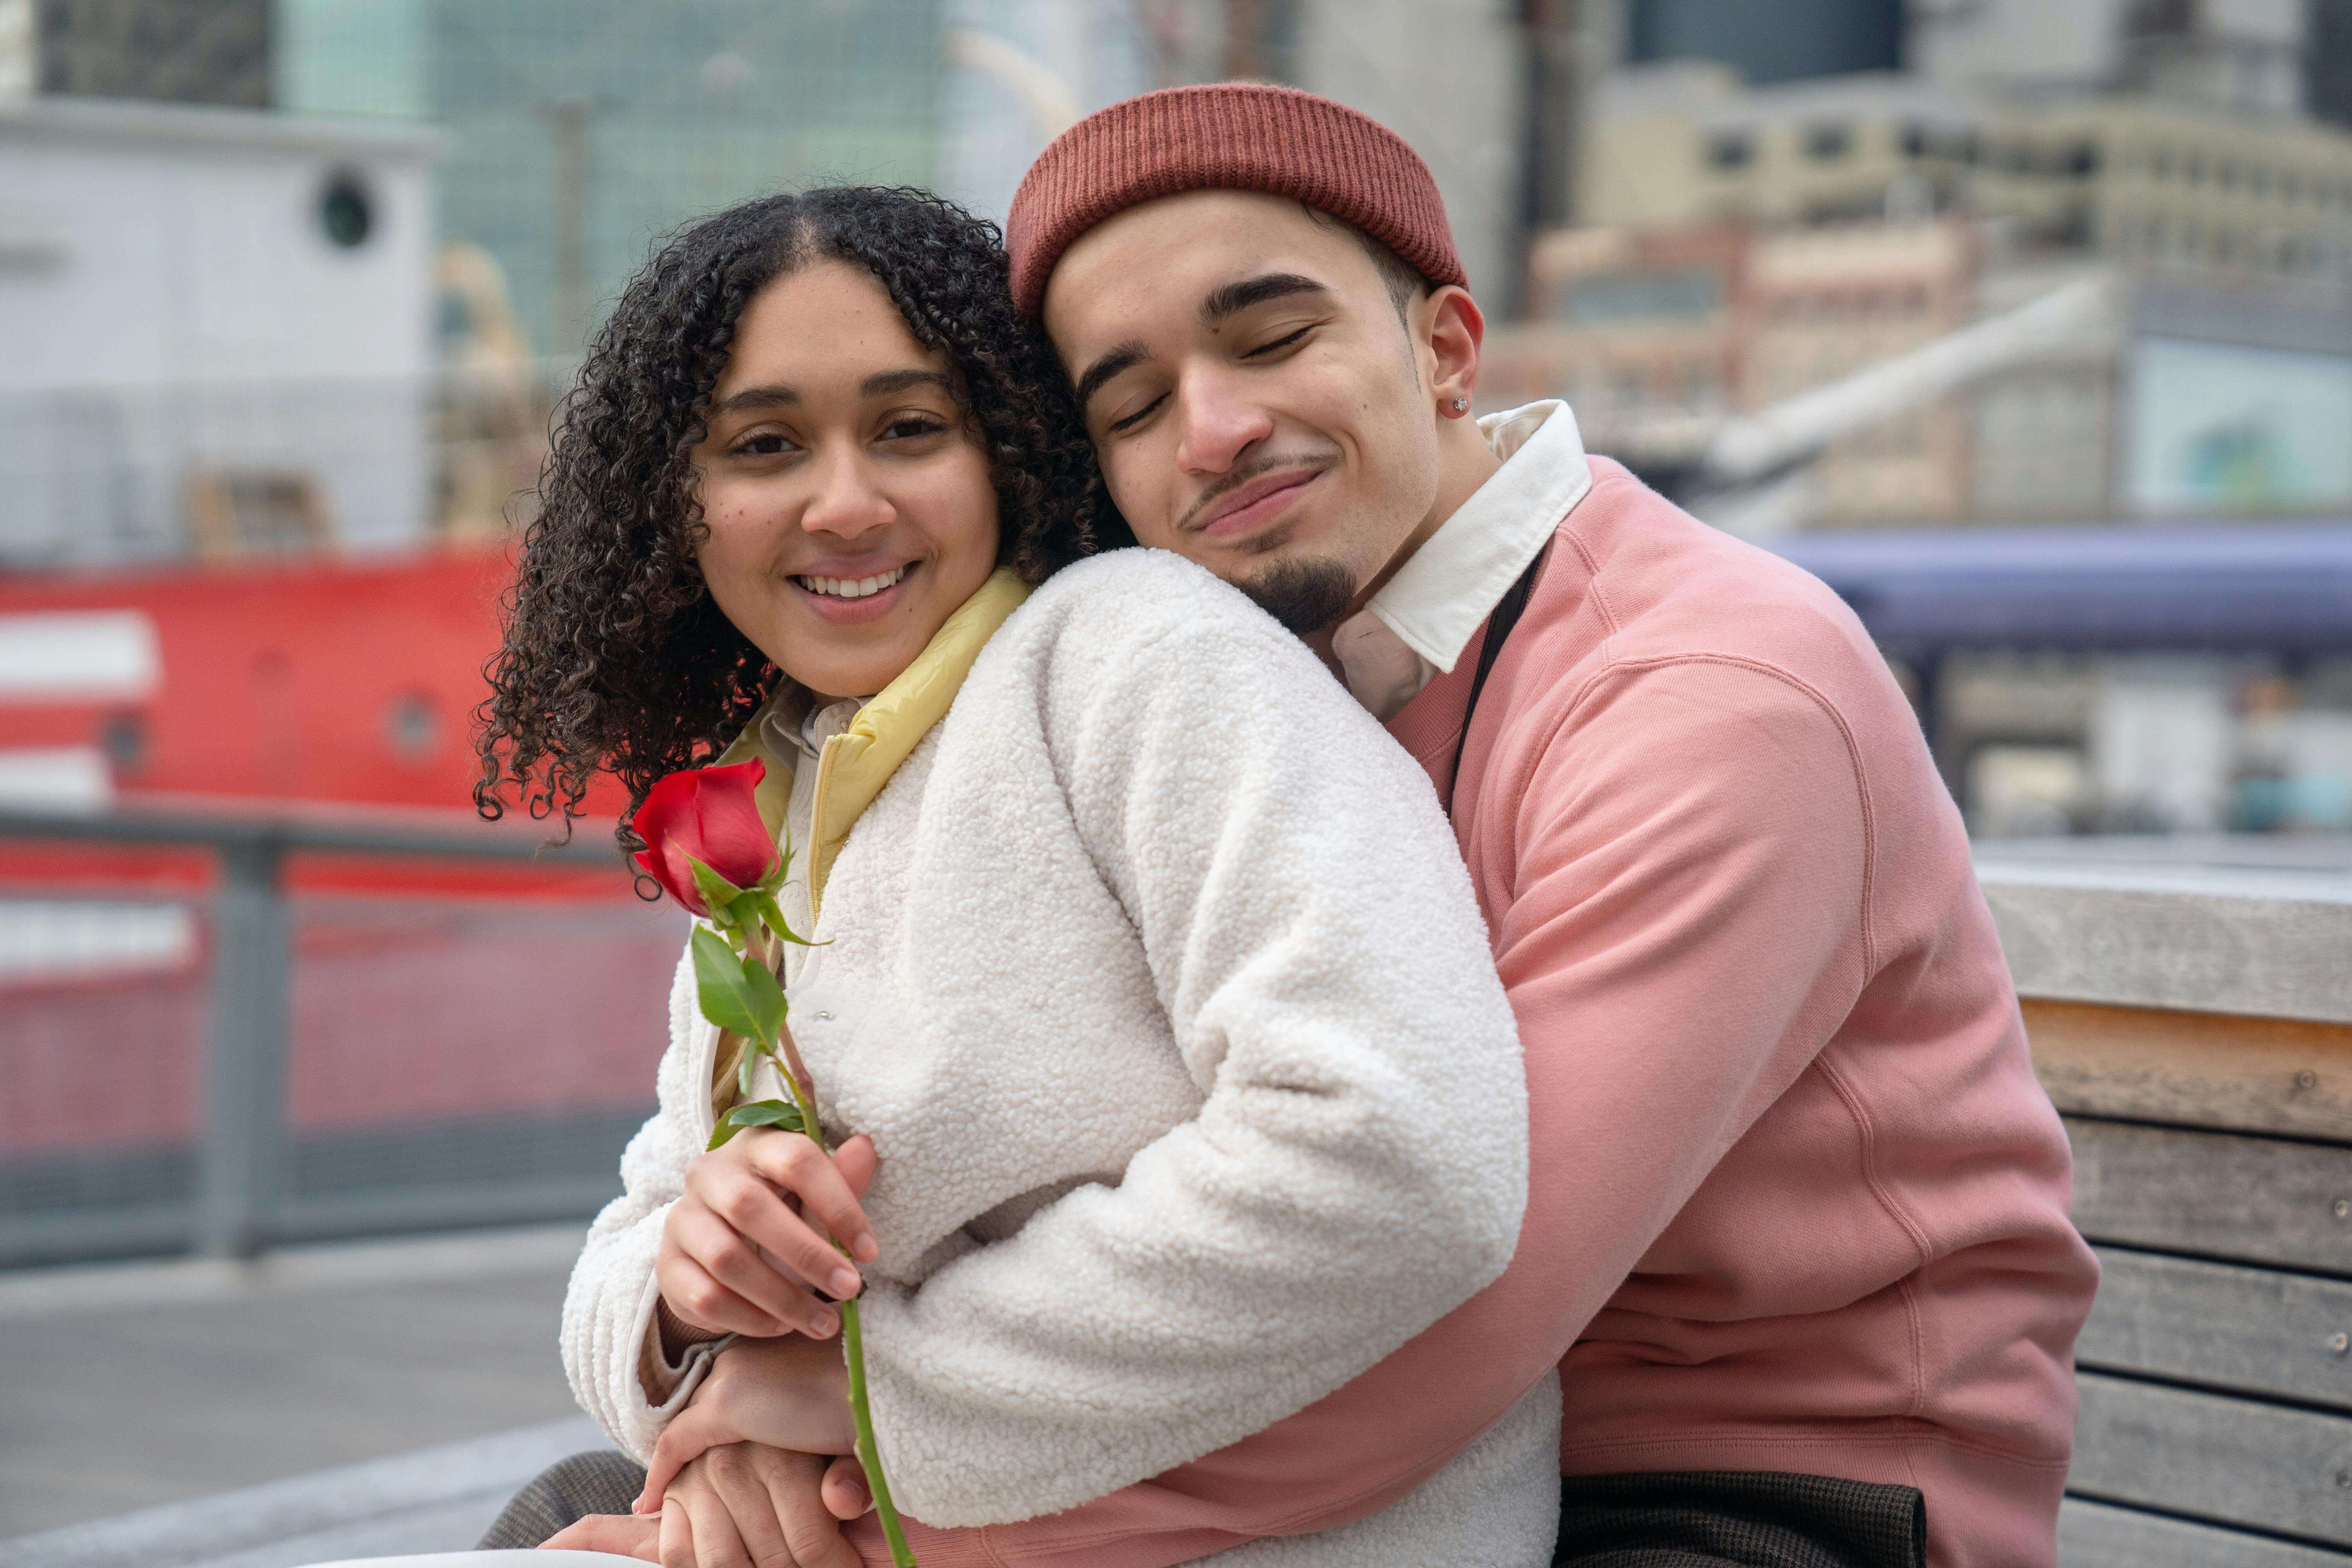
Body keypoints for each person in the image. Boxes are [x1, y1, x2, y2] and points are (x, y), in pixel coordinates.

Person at [527, 87, 2101, 1568]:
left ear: (1446, 347)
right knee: (567, 1499)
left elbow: (1446, 1309)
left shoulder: (1716, 694)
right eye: (1129, 403)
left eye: (1273, 337)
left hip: (1769, 1478)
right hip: (1399, 1453)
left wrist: (846, 1478)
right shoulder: (1260, 661)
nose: (1215, 430)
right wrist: (728, 1375)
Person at [470, 185, 1550, 1566]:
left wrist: (868, 1405)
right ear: (672, 509)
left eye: (910, 429)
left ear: (1011, 450)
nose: (846, 503)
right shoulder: (789, 782)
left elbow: (1402, 1154)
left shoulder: (1137, 655)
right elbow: (635, 1228)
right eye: (765, 444)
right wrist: (691, 1295)